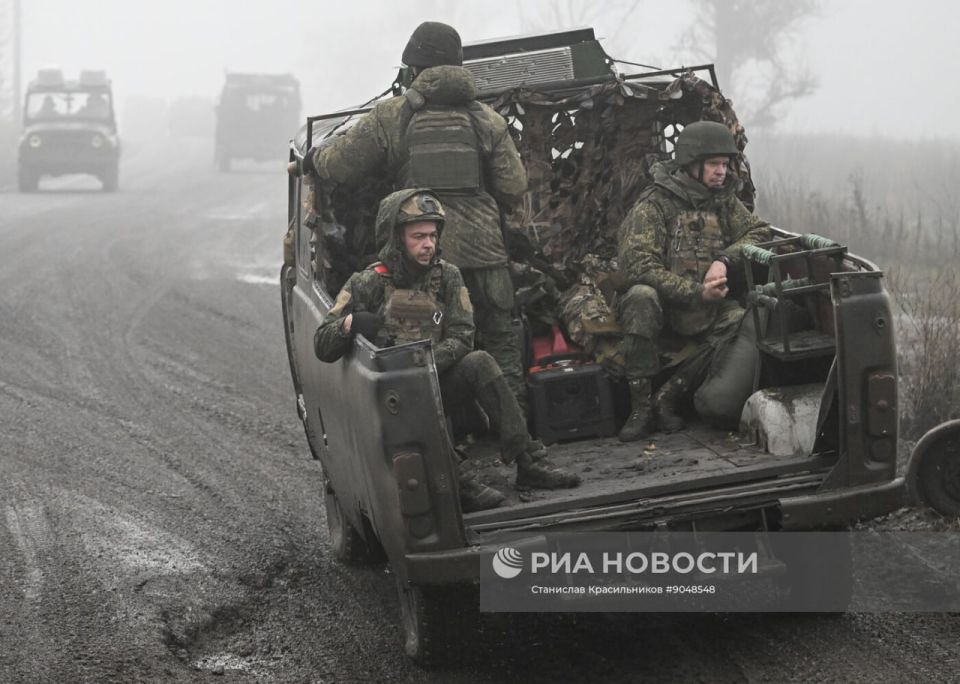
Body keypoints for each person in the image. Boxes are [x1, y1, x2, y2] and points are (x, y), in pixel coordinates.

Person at [301, 21, 529, 410]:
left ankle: (443, 433)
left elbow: (340, 165)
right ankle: (515, 428)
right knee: (501, 352)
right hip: (486, 258)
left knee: (418, 351)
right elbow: (514, 186)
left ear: (414, 68)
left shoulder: (394, 116)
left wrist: (315, 158)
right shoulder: (487, 120)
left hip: (419, 258)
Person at [313, 189, 580, 512]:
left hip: (434, 379)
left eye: (432, 235)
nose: (428, 244)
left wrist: (421, 365)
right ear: (396, 239)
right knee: (411, 389)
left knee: (479, 361)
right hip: (389, 399)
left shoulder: (448, 276)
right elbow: (322, 342)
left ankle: (529, 460)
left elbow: (463, 336)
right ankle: (458, 479)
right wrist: (349, 324)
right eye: (418, 237)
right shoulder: (366, 283)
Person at [615, 121, 773, 442]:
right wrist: (696, 292)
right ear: (692, 164)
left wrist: (723, 260)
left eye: (725, 164)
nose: (722, 172)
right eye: (714, 164)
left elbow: (759, 232)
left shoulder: (722, 201)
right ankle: (641, 407)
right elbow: (638, 266)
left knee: (743, 322)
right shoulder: (654, 204)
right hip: (663, 306)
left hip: (707, 306)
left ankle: (668, 396)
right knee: (640, 297)